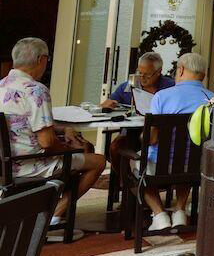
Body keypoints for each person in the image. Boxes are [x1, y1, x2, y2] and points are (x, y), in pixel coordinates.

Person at [0, 37, 106, 224]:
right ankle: (56, 213)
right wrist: (69, 148)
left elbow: (24, 122)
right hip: (31, 165)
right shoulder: (35, 90)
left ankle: (47, 209)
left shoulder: (2, 86)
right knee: (97, 160)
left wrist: (62, 129)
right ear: (41, 60)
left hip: (5, 165)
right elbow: (47, 143)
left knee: (76, 154)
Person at [138, 52, 213, 231]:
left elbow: (153, 138)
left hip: (160, 167)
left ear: (180, 70)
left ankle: (159, 215)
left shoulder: (162, 96)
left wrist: (142, 137)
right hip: (197, 166)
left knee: (135, 161)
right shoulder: (213, 99)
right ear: (203, 74)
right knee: (187, 158)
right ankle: (179, 211)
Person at [100, 52, 175, 110]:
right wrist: (109, 104)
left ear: (159, 71)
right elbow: (107, 103)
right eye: (139, 72)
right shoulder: (128, 86)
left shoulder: (171, 88)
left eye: (147, 74)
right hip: (131, 128)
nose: (142, 77)